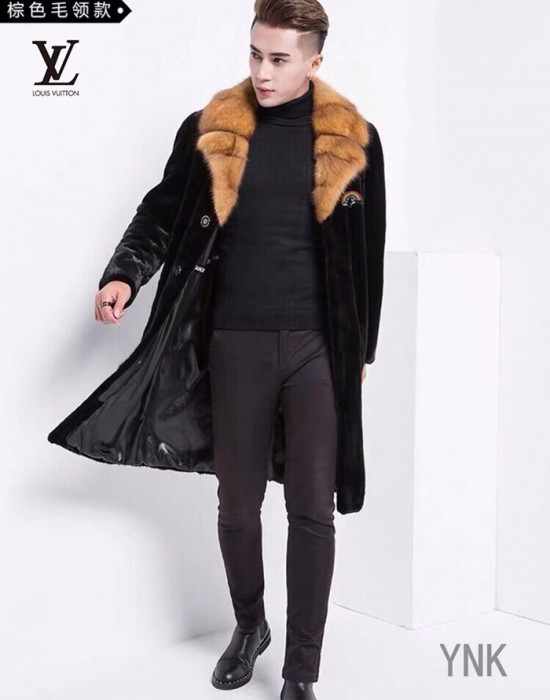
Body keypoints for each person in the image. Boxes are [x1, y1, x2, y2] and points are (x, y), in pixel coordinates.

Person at [49, 1, 386, 698]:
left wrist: (363, 352)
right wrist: (124, 274)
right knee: (236, 507)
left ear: (314, 61)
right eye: (255, 54)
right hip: (232, 342)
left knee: (311, 512)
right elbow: (160, 214)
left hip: (318, 349)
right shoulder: (211, 129)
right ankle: (250, 625)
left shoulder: (355, 140)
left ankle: (301, 672)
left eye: (280, 59)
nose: (263, 71)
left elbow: (368, 253)